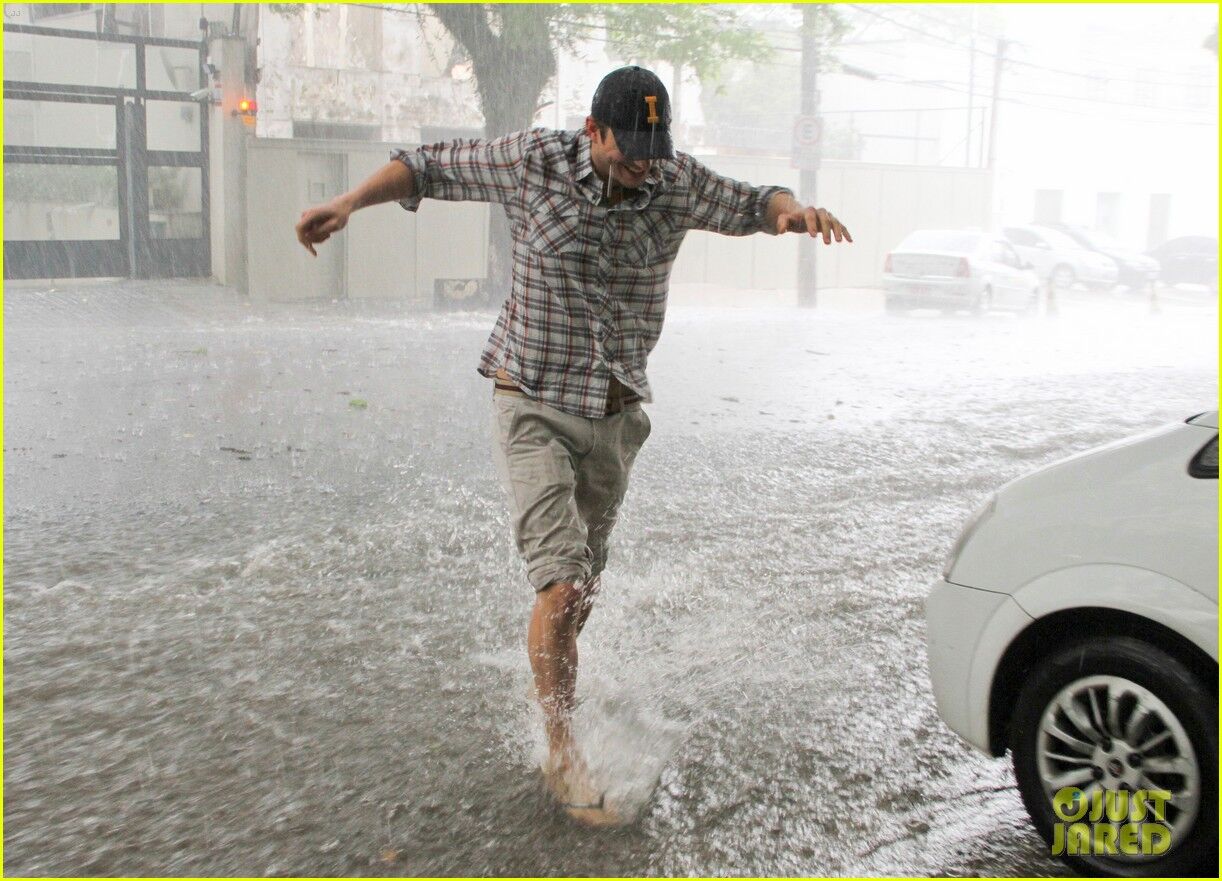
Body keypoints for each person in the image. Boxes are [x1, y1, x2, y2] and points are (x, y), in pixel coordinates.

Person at [295, 66, 851, 826]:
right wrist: (347, 202)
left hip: (617, 418)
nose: (643, 168)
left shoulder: (674, 181)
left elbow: (754, 202)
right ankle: (561, 748)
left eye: (655, 151)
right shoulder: (533, 162)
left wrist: (790, 214)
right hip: (532, 402)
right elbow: (425, 165)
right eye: (630, 152)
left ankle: (549, 661)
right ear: (593, 131)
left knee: (580, 590)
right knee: (560, 584)